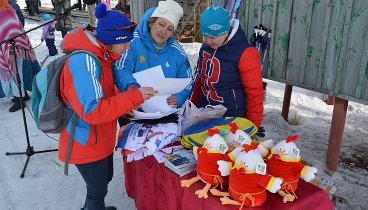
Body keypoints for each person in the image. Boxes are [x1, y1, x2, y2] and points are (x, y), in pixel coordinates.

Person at [57, 3, 157, 210]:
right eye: (126, 43)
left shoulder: (101, 55)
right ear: (113, 40)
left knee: (101, 183)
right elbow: (92, 109)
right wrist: (133, 97)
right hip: (85, 141)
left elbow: (103, 93)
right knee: (97, 190)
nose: (128, 47)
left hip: (98, 138)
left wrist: (125, 102)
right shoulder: (85, 62)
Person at [191, 6, 264, 128]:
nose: (208, 41)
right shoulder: (205, 48)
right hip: (206, 115)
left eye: (213, 37)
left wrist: (253, 125)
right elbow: (200, 80)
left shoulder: (245, 52)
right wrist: (193, 108)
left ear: (226, 32)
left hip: (233, 120)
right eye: (205, 36)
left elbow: (255, 93)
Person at [114, 0, 193, 111]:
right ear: (151, 22)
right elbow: (121, 68)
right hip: (132, 108)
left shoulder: (177, 52)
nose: (164, 31)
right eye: (161, 24)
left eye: (170, 29)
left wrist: (179, 97)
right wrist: (133, 91)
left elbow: (188, 79)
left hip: (163, 112)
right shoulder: (132, 42)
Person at [0, 0, 40, 112]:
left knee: (14, 71)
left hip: (12, 47)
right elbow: (19, 23)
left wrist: (11, 47)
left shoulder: (4, 11)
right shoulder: (7, 8)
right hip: (14, 45)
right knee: (17, 71)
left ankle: (19, 100)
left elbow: (11, 28)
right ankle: (23, 95)